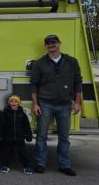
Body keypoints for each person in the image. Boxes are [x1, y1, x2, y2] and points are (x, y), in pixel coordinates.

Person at [31, 34, 82, 176]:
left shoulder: (72, 61)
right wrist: (35, 104)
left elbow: (78, 82)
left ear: (59, 43)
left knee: (64, 137)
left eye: (53, 42)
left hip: (65, 104)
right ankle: (40, 163)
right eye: (48, 43)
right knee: (41, 135)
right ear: (45, 46)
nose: (51, 45)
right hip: (45, 103)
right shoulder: (40, 63)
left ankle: (64, 165)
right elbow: (34, 84)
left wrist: (77, 103)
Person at [0, 95, 33, 174]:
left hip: (20, 138)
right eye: (11, 101)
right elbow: (2, 125)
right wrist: (1, 136)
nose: (13, 103)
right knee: (7, 152)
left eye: (15, 101)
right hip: (8, 137)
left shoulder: (22, 114)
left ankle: (27, 167)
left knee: (22, 153)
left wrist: (29, 136)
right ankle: (5, 166)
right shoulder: (5, 113)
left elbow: (27, 126)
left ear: (18, 103)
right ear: (9, 103)